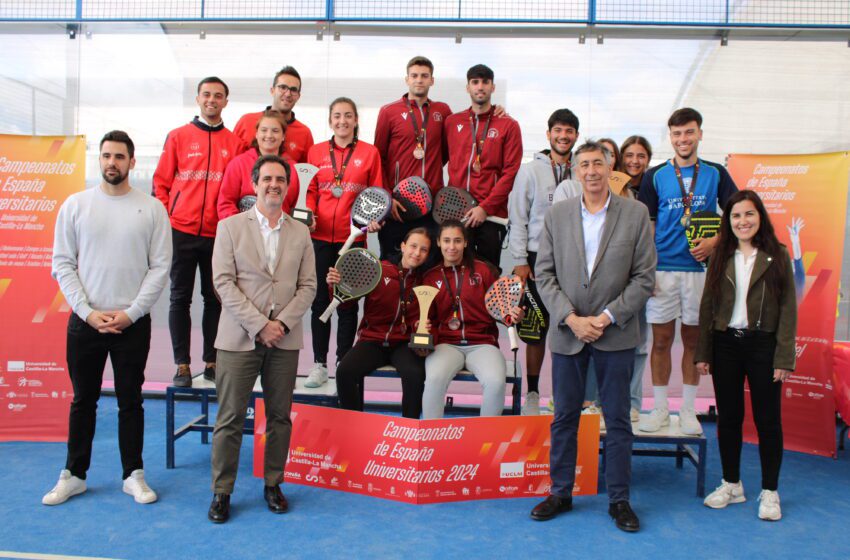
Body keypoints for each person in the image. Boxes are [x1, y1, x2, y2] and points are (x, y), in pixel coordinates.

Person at [531, 141, 655, 532]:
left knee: (618, 419)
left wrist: (605, 317)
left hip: (614, 332)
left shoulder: (635, 214)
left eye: (598, 163)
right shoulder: (557, 215)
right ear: (575, 172)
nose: (591, 171)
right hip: (569, 333)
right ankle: (561, 492)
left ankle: (619, 500)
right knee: (564, 417)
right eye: (583, 164)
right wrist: (571, 318)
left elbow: (644, 278)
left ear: (609, 168)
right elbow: (544, 275)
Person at [44, 131, 171, 506]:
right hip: (85, 323)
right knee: (83, 400)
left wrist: (131, 314)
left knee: (130, 401)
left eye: (119, 156)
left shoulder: (151, 209)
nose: (111, 162)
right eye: (105, 156)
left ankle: (133, 475)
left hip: (133, 324)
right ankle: (74, 474)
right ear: (98, 160)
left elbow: (161, 267)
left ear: (132, 162)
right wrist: (88, 312)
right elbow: (62, 264)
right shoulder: (75, 205)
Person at [207, 155, 317, 523]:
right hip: (239, 338)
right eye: (267, 178)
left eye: (280, 179)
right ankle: (222, 492)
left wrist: (281, 325)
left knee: (280, 418)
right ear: (254, 185)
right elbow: (223, 283)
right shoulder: (229, 227)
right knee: (230, 418)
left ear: (288, 185)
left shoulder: (301, 233)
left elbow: (308, 286)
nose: (274, 184)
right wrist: (260, 325)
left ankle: (273, 483)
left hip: (284, 341)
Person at [695, 190, 796, 521]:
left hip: (763, 345)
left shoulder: (777, 255)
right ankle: (732, 484)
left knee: (768, 421)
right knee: (729, 418)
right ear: (729, 222)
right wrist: (703, 351)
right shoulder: (721, 256)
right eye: (736, 216)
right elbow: (708, 304)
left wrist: (783, 358)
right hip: (726, 344)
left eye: (749, 214)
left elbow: (787, 310)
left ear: (760, 217)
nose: (743, 221)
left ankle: (770, 491)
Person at [637, 107, 738, 436]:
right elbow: (648, 227)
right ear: (671, 136)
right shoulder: (655, 176)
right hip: (663, 271)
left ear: (700, 134)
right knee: (661, 341)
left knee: (693, 341)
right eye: (677, 134)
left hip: (700, 271)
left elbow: (738, 217)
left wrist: (715, 242)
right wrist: (646, 270)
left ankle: (689, 410)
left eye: (689, 132)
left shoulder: (716, 173)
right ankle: (661, 409)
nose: (683, 139)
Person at [153, 76, 246, 388]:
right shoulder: (178, 136)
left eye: (218, 96)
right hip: (181, 230)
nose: (212, 100)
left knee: (214, 299)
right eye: (207, 94)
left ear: (225, 102)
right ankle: (182, 364)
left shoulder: (235, 144)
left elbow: (237, 189)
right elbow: (161, 184)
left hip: (218, 234)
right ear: (198, 99)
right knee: (179, 297)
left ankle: (211, 360)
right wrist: (169, 219)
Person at [304, 97, 384, 388]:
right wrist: (310, 212)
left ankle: (342, 362)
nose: (342, 121)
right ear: (330, 120)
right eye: (337, 116)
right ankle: (319, 364)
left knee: (348, 302)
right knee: (320, 302)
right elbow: (310, 190)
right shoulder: (314, 152)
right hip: (320, 238)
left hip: (355, 239)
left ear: (355, 120)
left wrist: (377, 220)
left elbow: (377, 193)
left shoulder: (370, 153)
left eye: (348, 116)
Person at [508, 108, 580, 415]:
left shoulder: (582, 168)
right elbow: (518, 217)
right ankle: (533, 394)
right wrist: (521, 259)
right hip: (537, 257)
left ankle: (567, 395)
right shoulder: (530, 171)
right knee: (535, 327)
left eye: (569, 131)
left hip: (574, 258)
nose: (563, 136)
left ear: (576, 135)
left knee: (570, 325)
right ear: (548, 134)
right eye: (558, 130)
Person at [421, 220, 521, 418]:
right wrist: (423, 327)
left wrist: (515, 314)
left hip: (482, 343)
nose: (452, 246)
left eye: (457, 241)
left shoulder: (484, 271)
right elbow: (428, 317)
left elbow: (503, 310)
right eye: (447, 241)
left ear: (465, 243)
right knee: (434, 378)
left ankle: (485, 441)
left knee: (495, 382)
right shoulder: (430, 277)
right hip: (446, 344)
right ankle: (431, 439)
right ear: (439, 242)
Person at [332, 228, 432, 418]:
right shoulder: (378, 269)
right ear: (403, 246)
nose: (417, 253)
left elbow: (427, 317)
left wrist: (421, 325)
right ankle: (353, 424)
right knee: (344, 371)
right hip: (373, 340)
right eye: (413, 246)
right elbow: (347, 302)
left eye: (424, 249)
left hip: (403, 343)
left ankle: (408, 430)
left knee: (414, 375)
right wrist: (336, 285)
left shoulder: (425, 280)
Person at [444, 64, 523, 269]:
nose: (480, 87)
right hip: (458, 212)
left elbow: (511, 172)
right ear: (467, 87)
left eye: (485, 82)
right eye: (475, 82)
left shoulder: (508, 125)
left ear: (493, 87)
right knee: (456, 272)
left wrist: (485, 208)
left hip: (492, 215)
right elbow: (440, 158)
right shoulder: (452, 122)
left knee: (488, 272)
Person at [373, 56, 451, 261]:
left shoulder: (442, 111)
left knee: (428, 265)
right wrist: (388, 197)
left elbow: (446, 152)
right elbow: (378, 159)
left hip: (431, 208)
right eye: (414, 75)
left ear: (432, 80)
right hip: (398, 207)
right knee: (392, 264)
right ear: (406, 79)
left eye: (424, 76)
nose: (419, 80)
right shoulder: (389, 112)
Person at [619, 135, 654, 420]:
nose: (634, 160)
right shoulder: (614, 186)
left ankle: (633, 402)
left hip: (643, 274)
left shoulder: (655, 185)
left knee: (641, 342)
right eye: (629, 154)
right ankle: (604, 401)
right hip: (616, 276)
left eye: (640, 155)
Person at [218, 109, 300, 219]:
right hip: (244, 233)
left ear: (283, 136)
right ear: (256, 134)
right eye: (264, 130)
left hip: (280, 232)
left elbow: (296, 206)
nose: (269, 135)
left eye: (275, 131)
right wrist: (240, 229)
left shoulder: (294, 169)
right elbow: (226, 203)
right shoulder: (238, 164)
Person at [233, 66, 314, 163]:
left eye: (293, 90)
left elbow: (305, 174)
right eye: (283, 87)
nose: (288, 94)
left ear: (298, 96)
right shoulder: (246, 121)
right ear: (272, 90)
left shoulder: (304, 133)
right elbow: (233, 161)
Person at [619, 135, 653, 199]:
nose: (635, 161)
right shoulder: (612, 185)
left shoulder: (654, 184)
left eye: (641, 156)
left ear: (648, 159)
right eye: (629, 155)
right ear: (622, 157)